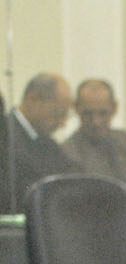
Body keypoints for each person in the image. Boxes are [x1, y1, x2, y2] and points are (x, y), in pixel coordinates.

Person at [61, 78, 126, 205]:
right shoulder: (68, 152)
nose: (96, 122)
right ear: (76, 108)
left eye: (103, 113)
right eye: (88, 114)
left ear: (114, 108)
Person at [2, 73, 79, 213]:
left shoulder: (49, 144)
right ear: (33, 99)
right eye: (58, 113)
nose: (62, 123)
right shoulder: (5, 137)